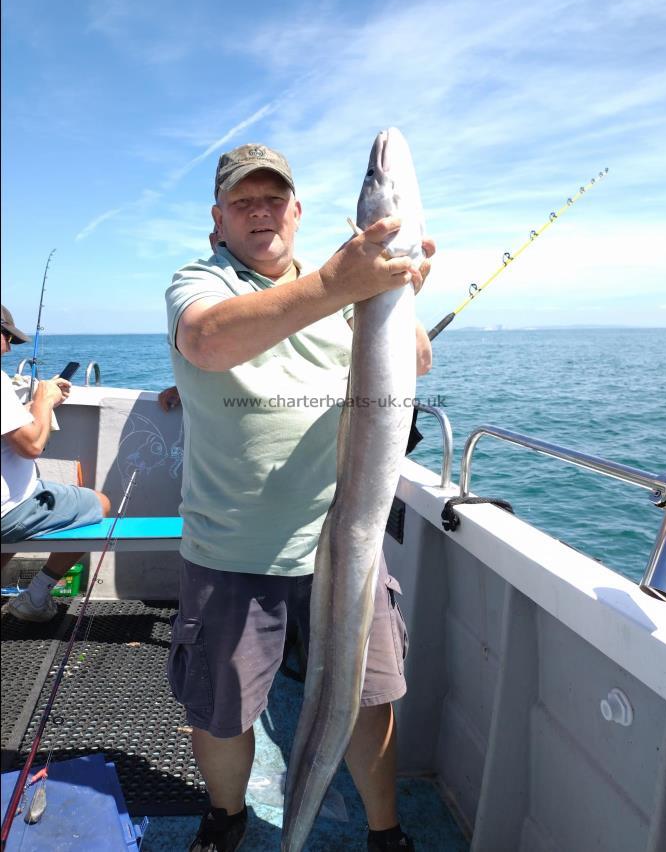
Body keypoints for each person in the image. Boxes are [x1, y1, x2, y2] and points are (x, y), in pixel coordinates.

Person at [165, 143, 434, 852]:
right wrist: (339, 285)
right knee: (223, 710)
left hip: (347, 546)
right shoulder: (203, 281)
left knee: (368, 699)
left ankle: (385, 834)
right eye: (243, 201)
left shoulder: (346, 289)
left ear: (297, 211)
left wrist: (399, 293)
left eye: (273, 198)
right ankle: (227, 821)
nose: (261, 212)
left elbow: (415, 361)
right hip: (232, 548)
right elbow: (206, 340)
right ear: (217, 220)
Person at [1, 305, 111, 622]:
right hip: (11, 510)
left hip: (20, 501)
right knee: (100, 504)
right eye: (6, 336)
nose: (9, 347)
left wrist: (39, 403)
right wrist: (44, 400)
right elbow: (32, 446)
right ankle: (35, 597)